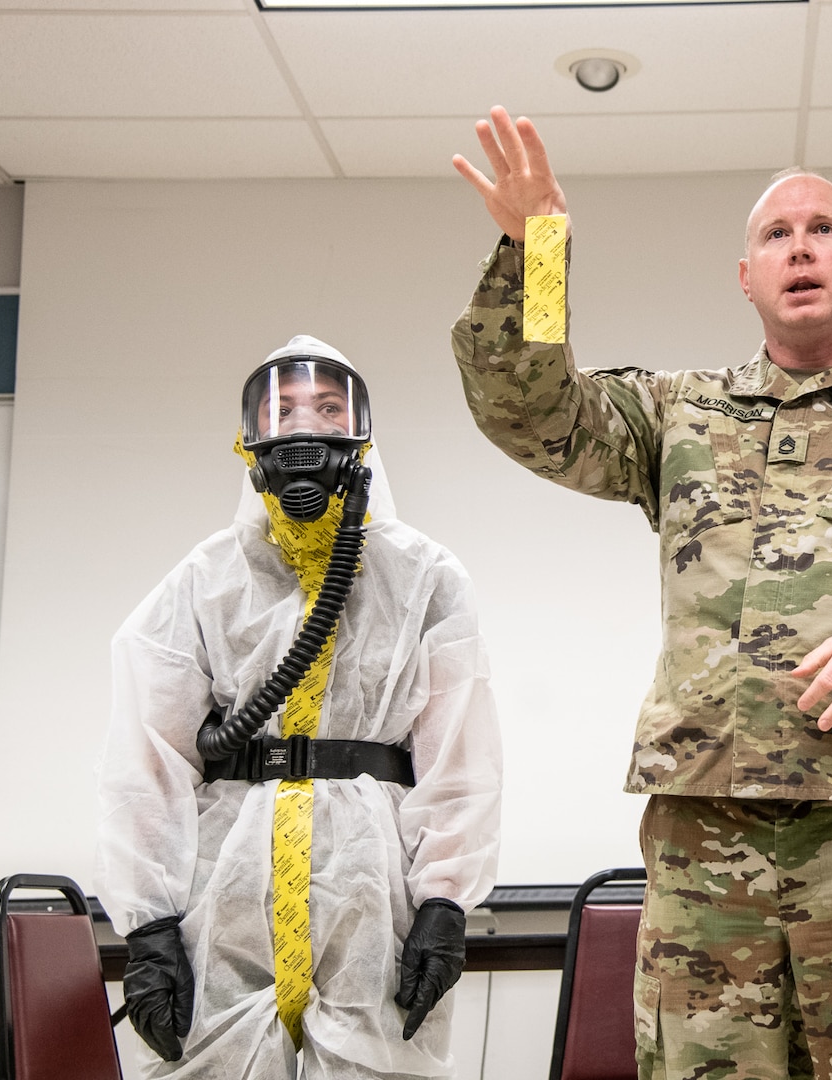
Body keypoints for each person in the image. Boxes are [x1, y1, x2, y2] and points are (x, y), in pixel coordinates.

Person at [449, 108, 832, 1080]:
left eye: (823, 229)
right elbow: (529, 410)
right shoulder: (679, 413)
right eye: (774, 235)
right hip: (708, 842)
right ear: (744, 277)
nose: (799, 247)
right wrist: (536, 250)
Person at [96, 336, 502, 1079]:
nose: (304, 427)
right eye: (280, 413)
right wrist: (148, 924)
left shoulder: (424, 575)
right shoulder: (206, 578)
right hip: (228, 889)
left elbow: (458, 755)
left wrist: (444, 903)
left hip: (371, 892)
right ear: (249, 442)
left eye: (326, 407)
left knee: (378, 1063)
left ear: (360, 436)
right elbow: (147, 758)